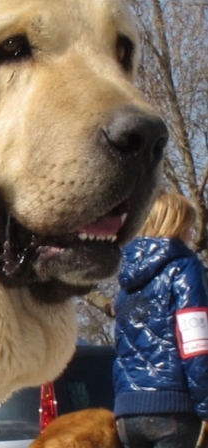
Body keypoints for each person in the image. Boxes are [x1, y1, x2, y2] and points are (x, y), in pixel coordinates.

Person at [113, 192, 208, 448]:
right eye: (189, 225)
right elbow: (196, 345)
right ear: (177, 225)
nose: (191, 233)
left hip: (127, 415)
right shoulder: (185, 268)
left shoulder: (126, 280)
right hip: (173, 411)